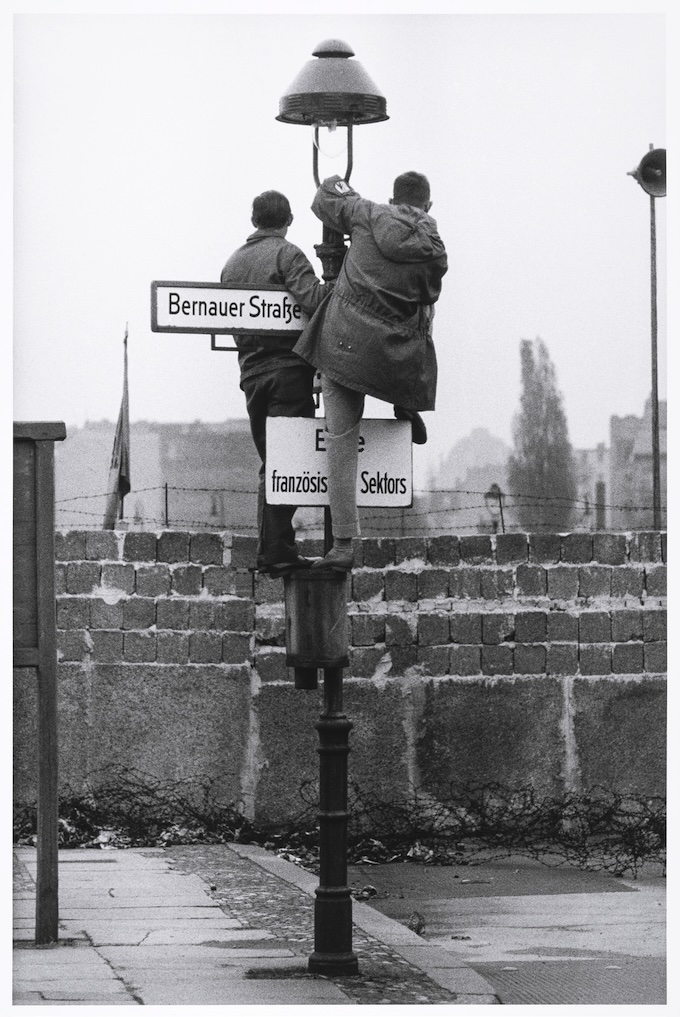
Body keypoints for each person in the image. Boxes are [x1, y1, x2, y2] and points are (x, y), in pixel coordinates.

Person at [294, 171, 448, 571]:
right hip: (394, 360)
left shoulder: (367, 214)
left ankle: (343, 543)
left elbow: (325, 195)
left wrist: (343, 186)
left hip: (343, 347)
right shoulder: (435, 248)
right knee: (421, 312)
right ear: (428, 206)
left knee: (341, 442)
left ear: (394, 199)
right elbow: (429, 294)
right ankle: (406, 400)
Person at [221, 190, 326, 576]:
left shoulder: (232, 263)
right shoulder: (288, 254)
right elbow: (313, 300)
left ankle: (272, 548)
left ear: (253, 220)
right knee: (289, 462)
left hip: (250, 375)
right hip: (288, 373)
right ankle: (278, 550)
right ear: (290, 220)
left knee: (272, 462)